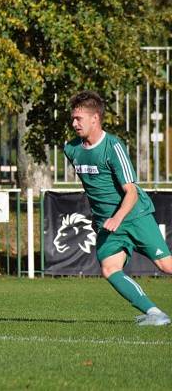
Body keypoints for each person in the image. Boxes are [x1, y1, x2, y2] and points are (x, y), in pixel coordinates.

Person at [65, 91, 172, 326]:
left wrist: (117, 217)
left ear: (95, 119)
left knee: (166, 265)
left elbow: (131, 191)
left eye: (78, 118)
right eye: (72, 118)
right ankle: (155, 313)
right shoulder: (71, 149)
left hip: (134, 215)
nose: (74, 123)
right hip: (108, 223)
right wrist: (105, 218)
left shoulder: (113, 146)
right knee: (109, 267)